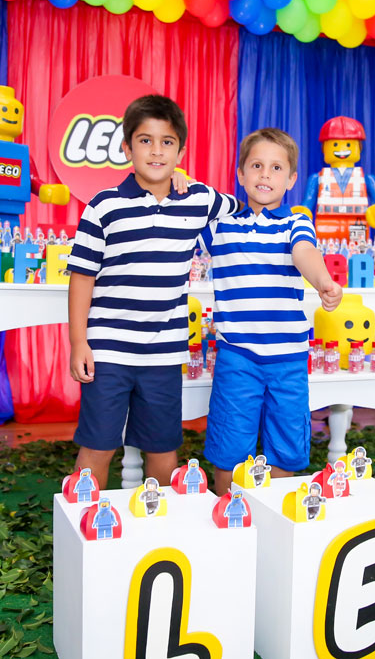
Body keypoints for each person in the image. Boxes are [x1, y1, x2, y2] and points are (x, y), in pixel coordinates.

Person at [67, 95, 239, 489]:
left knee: (162, 449)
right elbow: (82, 277)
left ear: (180, 151)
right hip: (109, 351)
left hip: (164, 353)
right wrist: (79, 342)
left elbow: (239, 208)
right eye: (145, 141)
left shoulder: (198, 200)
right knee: (97, 445)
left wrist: (190, 181)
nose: (157, 151)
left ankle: (160, 519)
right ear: (127, 148)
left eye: (167, 142)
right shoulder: (103, 206)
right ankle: (83, 517)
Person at [200, 129, 343, 495]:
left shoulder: (295, 222)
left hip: (288, 360)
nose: (265, 174)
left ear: (291, 179)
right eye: (257, 166)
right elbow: (182, 209)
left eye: (276, 168)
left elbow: (304, 252)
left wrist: (322, 281)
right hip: (237, 357)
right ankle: (227, 511)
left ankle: (278, 515)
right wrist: (180, 183)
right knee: (229, 449)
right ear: (240, 174)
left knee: (286, 448)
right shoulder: (219, 226)